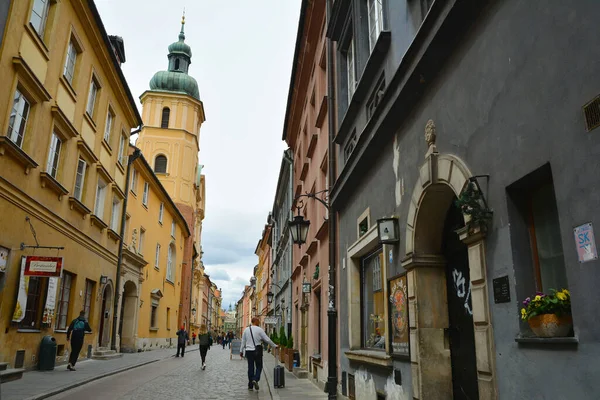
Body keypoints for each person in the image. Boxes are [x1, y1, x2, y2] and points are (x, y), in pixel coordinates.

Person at [240, 317, 277, 391]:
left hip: (249, 351)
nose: (259, 322)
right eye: (258, 321)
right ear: (256, 322)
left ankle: (250, 385)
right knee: (259, 366)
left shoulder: (246, 330)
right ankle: (255, 379)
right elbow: (267, 339)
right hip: (257, 351)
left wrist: (241, 351)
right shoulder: (259, 330)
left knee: (250, 367)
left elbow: (243, 341)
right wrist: (274, 345)